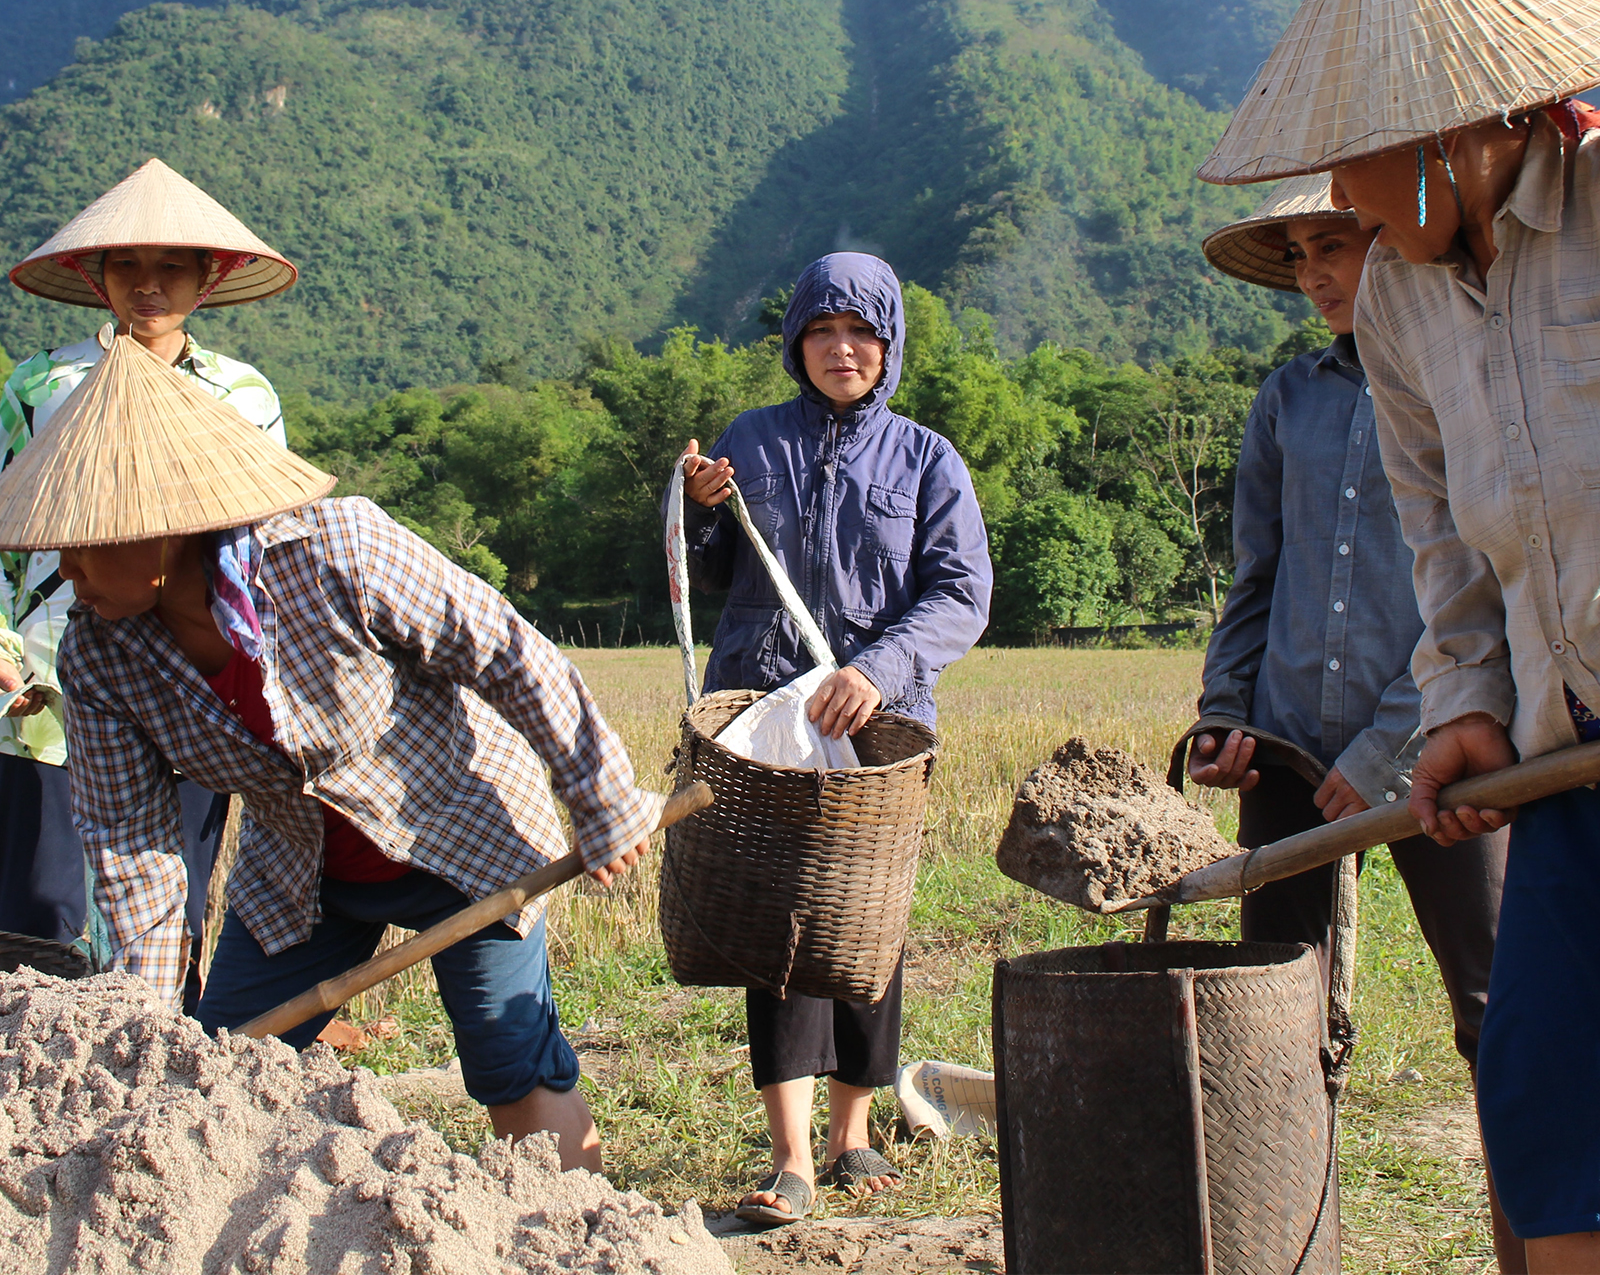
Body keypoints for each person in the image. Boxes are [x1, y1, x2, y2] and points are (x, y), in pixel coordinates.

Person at [1197, 0, 1600, 1272]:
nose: (1341, 217)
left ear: (1450, 134)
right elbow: (1445, 550)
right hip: (1562, 762)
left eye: (1352, 181)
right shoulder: (1408, 305)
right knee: (1546, 1099)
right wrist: (1467, 709)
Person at [0, 334, 657, 1170]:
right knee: (216, 1068)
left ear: (160, 530)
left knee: (512, 1071)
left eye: (84, 540)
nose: (66, 569)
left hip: (467, 838)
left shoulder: (333, 551)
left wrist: (600, 798)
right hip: (299, 873)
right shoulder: (101, 656)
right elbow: (135, 853)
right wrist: (153, 1020)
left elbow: (508, 653)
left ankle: (578, 1240)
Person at [1193, 175, 1517, 1263]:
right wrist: (1223, 713)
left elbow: (1477, 575)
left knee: (1495, 1012)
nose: (1316, 272)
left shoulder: (1459, 372)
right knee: (1277, 1021)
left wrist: (1388, 748)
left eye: (1334, 243)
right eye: (1296, 255)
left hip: (1444, 749)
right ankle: (1295, 1243)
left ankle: (1535, 1241)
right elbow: (1258, 573)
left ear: (1393, 237)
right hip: (1288, 750)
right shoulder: (1286, 398)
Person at [674, 252, 991, 1224]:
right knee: (780, 928)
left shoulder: (927, 457)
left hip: (877, 724)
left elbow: (960, 593)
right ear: (796, 344)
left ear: (887, 347)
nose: (840, 348)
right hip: (763, 716)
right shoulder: (751, 441)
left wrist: (877, 669)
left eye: (860, 333)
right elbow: (707, 566)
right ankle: (791, 1155)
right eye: (822, 331)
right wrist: (696, 510)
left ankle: (854, 1134)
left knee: (866, 927)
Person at [0, 158, 295, 1009]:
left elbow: (261, 549)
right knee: (43, 906)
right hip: (53, 679)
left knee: (176, 891)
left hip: (197, 679)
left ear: (211, 277)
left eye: (171, 267)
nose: (148, 285)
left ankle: (166, 1067)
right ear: (97, 276)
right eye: (127, 265)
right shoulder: (42, 385)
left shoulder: (240, 394)